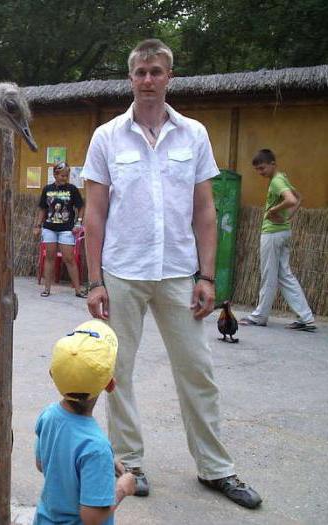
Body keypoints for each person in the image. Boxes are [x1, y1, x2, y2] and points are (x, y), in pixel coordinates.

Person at [81, 38, 262, 509]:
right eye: (140, 72)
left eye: (156, 71)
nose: (147, 80)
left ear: (169, 77)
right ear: (130, 78)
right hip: (122, 272)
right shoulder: (106, 137)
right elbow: (94, 215)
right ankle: (130, 463)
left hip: (180, 273)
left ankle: (216, 468)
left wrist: (207, 276)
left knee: (197, 370)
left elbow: (205, 209)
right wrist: (95, 280)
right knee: (117, 373)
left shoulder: (194, 135)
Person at [34, 319, 136, 525]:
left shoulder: (48, 416)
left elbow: (42, 464)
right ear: (110, 384)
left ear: (53, 374)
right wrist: (123, 487)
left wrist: (104, 465)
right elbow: (92, 517)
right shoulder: (96, 447)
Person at [239, 149, 316, 331]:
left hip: (272, 234)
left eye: (262, 168)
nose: (260, 172)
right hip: (282, 232)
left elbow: (290, 199)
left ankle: (259, 316)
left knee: (269, 274)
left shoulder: (276, 181)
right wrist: (288, 217)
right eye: (257, 169)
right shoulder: (282, 178)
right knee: (285, 275)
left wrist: (273, 211)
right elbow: (298, 198)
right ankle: (306, 318)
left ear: (273, 163)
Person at [34, 161, 86, 298]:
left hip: (66, 229)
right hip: (49, 228)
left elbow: (81, 207)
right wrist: (38, 225)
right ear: (55, 175)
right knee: (50, 257)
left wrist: (79, 223)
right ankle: (47, 289)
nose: (64, 178)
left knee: (69, 258)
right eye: (62, 175)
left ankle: (78, 290)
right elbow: (42, 209)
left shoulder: (72, 190)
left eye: (66, 176)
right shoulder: (47, 189)